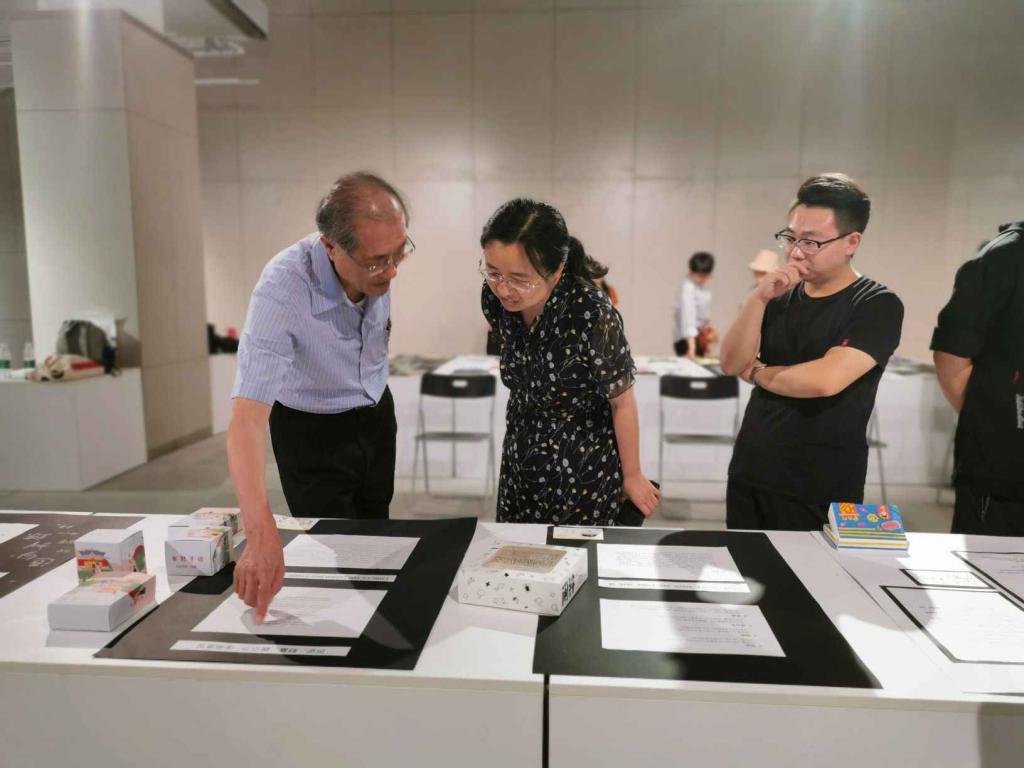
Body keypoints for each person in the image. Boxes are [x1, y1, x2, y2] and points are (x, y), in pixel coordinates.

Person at [228, 172, 411, 621]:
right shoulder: (283, 289)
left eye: (399, 253)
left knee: (377, 541)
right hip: (313, 431)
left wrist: (377, 265)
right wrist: (261, 534)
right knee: (334, 554)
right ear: (331, 247)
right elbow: (246, 421)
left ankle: (376, 627)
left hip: (375, 414)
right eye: (377, 262)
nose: (391, 271)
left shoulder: (376, 263)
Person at [720, 173, 903, 530]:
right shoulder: (779, 297)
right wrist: (758, 298)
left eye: (811, 241)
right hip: (751, 470)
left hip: (818, 484)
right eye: (790, 238)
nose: (795, 251)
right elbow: (730, 363)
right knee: (744, 560)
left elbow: (824, 381)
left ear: (851, 242)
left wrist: (757, 371)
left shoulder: (876, 304)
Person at [479, 199, 660, 526]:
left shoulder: (589, 313)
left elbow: (622, 402)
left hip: (582, 468)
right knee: (516, 551)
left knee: (577, 554)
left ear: (558, 269)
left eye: (519, 278)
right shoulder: (495, 299)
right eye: (493, 272)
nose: (503, 289)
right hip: (521, 461)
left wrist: (632, 474)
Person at [931, 221, 1024, 535]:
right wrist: (993, 420)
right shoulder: (1005, 258)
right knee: (996, 563)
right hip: (1004, 476)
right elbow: (952, 355)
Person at [674, 251, 714, 359]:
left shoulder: (703, 287)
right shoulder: (688, 288)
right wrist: (692, 347)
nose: (703, 279)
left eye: (706, 276)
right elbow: (688, 317)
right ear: (692, 272)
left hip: (699, 336)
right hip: (687, 340)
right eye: (700, 275)